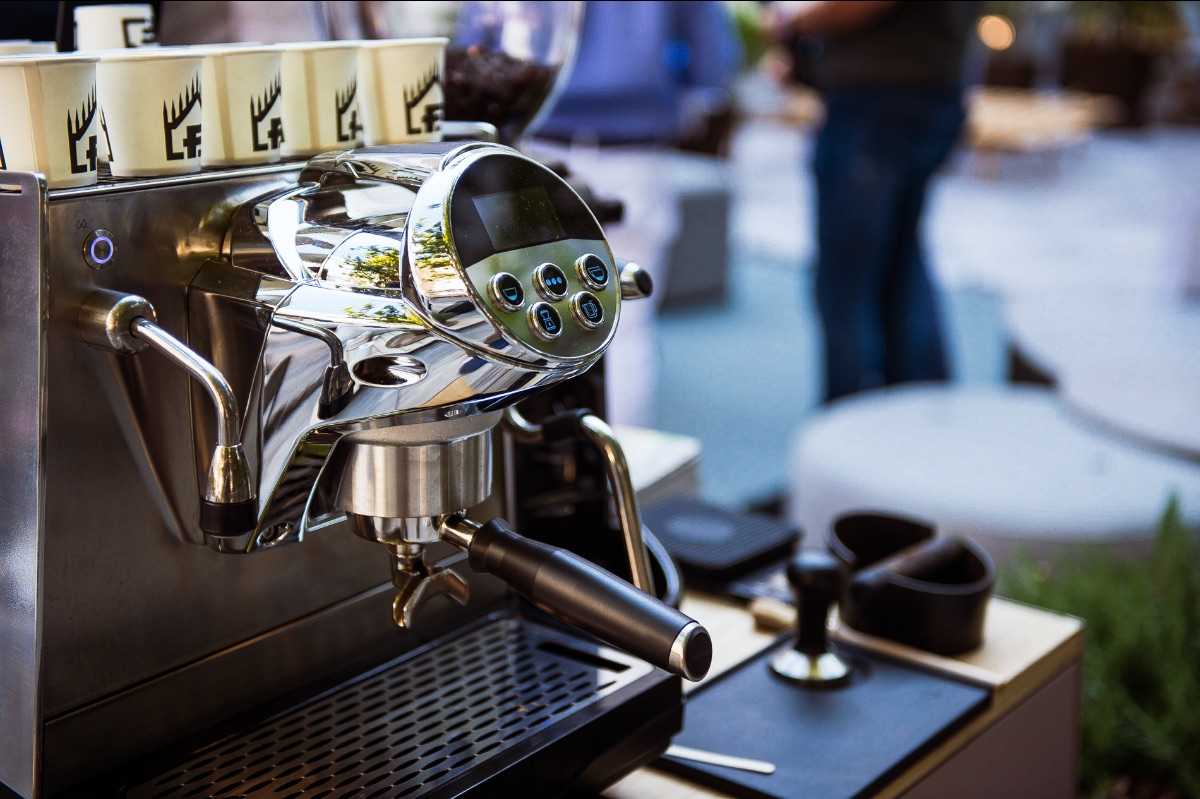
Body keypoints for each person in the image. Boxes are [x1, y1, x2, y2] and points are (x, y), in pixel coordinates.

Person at [532, 1, 741, 426]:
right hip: (632, 156)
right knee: (625, 327)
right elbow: (713, 59)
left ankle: (547, 454)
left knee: (538, 324)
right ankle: (622, 458)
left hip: (540, 148)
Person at [773, 1, 980, 402]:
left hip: (880, 104)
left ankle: (850, 426)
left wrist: (795, 20)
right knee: (899, 272)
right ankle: (917, 418)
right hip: (918, 93)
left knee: (847, 287)